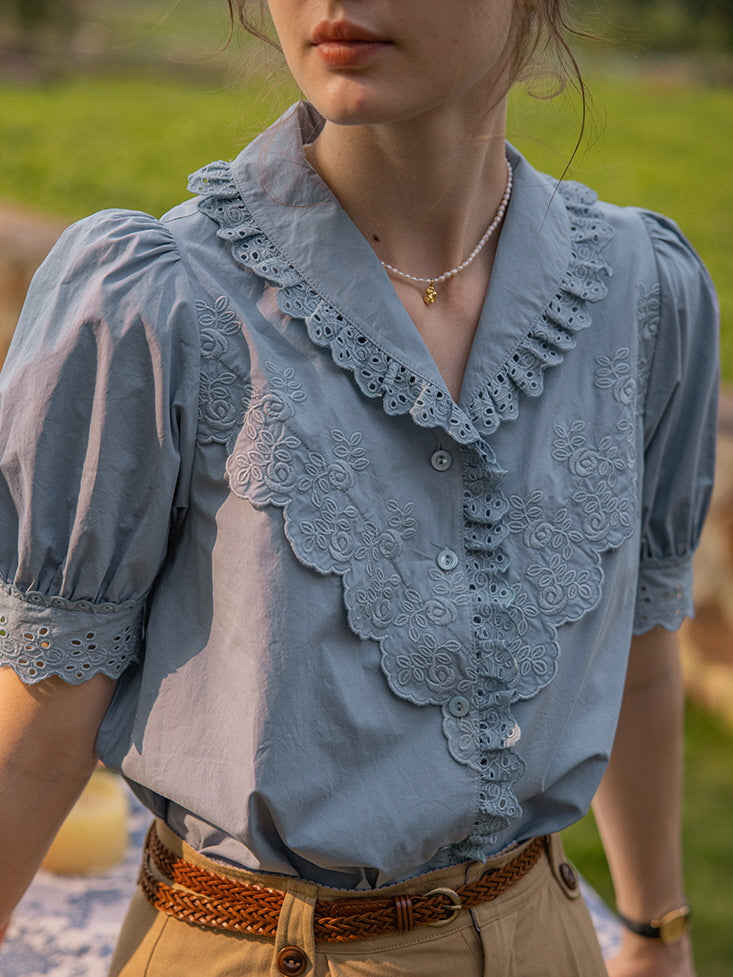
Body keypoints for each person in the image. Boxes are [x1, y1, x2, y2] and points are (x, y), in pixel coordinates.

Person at [0, 1, 718, 975]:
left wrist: (654, 927)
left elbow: (641, 647)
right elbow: (43, 716)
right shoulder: (154, 308)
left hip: (547, 937)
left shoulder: (644, 295)